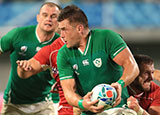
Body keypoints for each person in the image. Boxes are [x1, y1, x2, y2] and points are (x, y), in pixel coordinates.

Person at [56, 5, 139, 115]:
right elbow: (69, 92)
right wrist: (82, 104)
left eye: (64, 29)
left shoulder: (107, 37)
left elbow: (132, 67)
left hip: (118, 109)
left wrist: (120, 84)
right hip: (89, 112)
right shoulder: (63, 54)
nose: (61, 35)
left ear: (79, 28)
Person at [0, 2, 61, 115]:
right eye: (45, 15)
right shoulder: (17, 34)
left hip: (44, 103)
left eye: (53, 16)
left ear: (59, 21)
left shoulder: (61, 45)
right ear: (38, 17)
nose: (49, 19)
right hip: (13, 103)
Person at [16, 37, 74, 115]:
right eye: (62, 28)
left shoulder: (93, 42)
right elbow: (26, 72)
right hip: (67, 109)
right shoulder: (51, 50)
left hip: (91, 105)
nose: (63, 33)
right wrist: (22, 68)